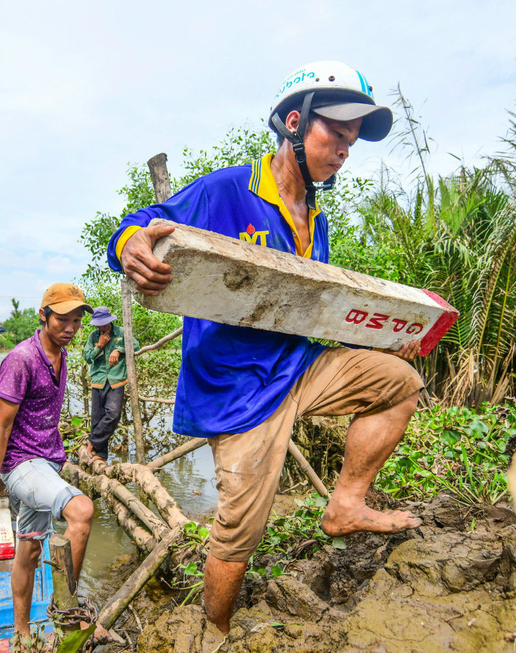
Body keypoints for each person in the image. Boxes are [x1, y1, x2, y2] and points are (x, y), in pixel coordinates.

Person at [106, 61, 426, 634]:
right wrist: (131, 244)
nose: (344, 151)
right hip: (236, 388)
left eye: (352, 143)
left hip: (295, 364)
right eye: (336, 135)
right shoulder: (230, 189)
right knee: (239, 535)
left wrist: (396, 334)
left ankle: (345, 504)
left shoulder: (317, 220)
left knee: (399, 381)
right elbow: (145, 221)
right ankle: (216, 632)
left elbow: (312, 310)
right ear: (296, 124)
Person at [0, 283, 107, 644]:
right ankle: (69, 615)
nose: (71, 328)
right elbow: (0, 428)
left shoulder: (61, 355)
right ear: (43, 316)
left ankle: (21, 633)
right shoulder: (22, 359)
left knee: (29, 551)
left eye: (77, 321)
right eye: (63, 319)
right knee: (81, 510)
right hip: (21, 466)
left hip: (47, 465)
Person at [82, 306, 139, 463]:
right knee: (96, 419)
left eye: (104, 324)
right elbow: (87, 357)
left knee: (113, 414)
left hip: (116, 379)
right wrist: (99, 346)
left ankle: (92, 441)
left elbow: (136, 345)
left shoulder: (121, 333)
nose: (101, 327)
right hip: (98, 380)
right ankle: (101, 455)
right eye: (99, 325)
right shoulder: (93, 336)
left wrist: (118, 350)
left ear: (110, 321)